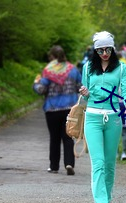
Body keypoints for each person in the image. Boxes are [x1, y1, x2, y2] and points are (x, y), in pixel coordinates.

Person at [79, 31, 126, 203]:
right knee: (98, 162)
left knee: (110, 164)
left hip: (114, 119)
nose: (104, 53)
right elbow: (84, 98)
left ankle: (106, 202)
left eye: (108, 49)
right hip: (92, 117)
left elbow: (125, 91)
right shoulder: (87, 68)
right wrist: (84, 92)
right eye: (100, 50)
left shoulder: (121, 68)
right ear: (95, 50)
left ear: (113, 48)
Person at [33, 45, 82, 175]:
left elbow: (41, 90)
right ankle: (69, 163)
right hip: (69, 109)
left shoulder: (48, 71)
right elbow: (80, 87)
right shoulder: (73, 70)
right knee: (68, 137)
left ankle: (54, 166)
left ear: (52, 57)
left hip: (52, 109)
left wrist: (36, 83)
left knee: (54, 138)